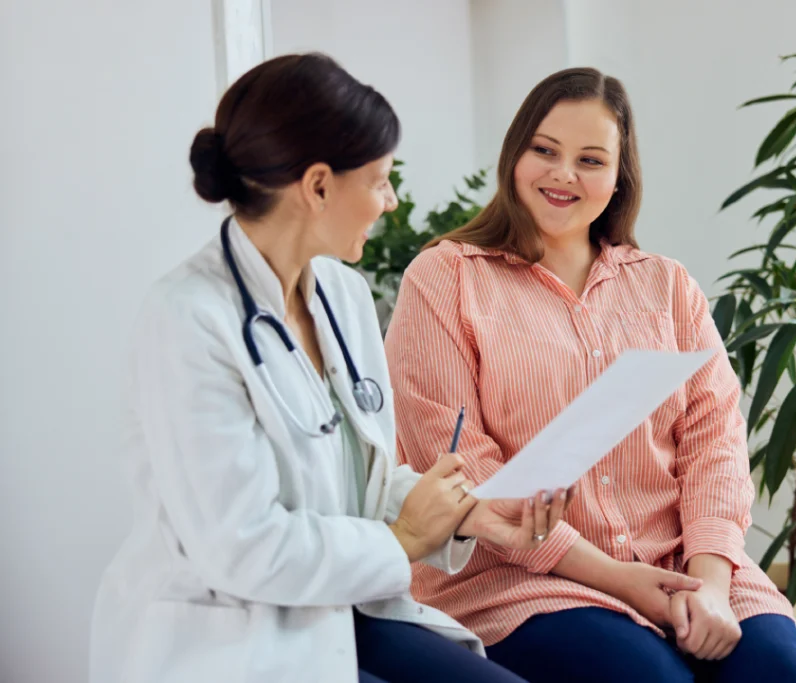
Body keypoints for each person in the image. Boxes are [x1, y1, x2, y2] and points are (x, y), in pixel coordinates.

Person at [88, 53, 569, 683]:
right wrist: (401, 540)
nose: (390, 202)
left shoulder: (341, 296)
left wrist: (462, 512)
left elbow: (351, 482)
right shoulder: (187, 320)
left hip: (340, 608)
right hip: (232, 631)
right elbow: (243, 547)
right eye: (378, 181)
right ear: (318, 187)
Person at [383, 67, 796, 683]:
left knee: (774, 666)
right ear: (514, 155)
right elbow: (459, 465)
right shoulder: (446, 278)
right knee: (650, 677)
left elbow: (715, 444)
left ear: (618, 178)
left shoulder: (667, 286)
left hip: (682, 558)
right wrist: (624, 582)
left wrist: (712, 582)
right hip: (521, 577)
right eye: (545, 150)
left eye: (590, 159)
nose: (563, 174)